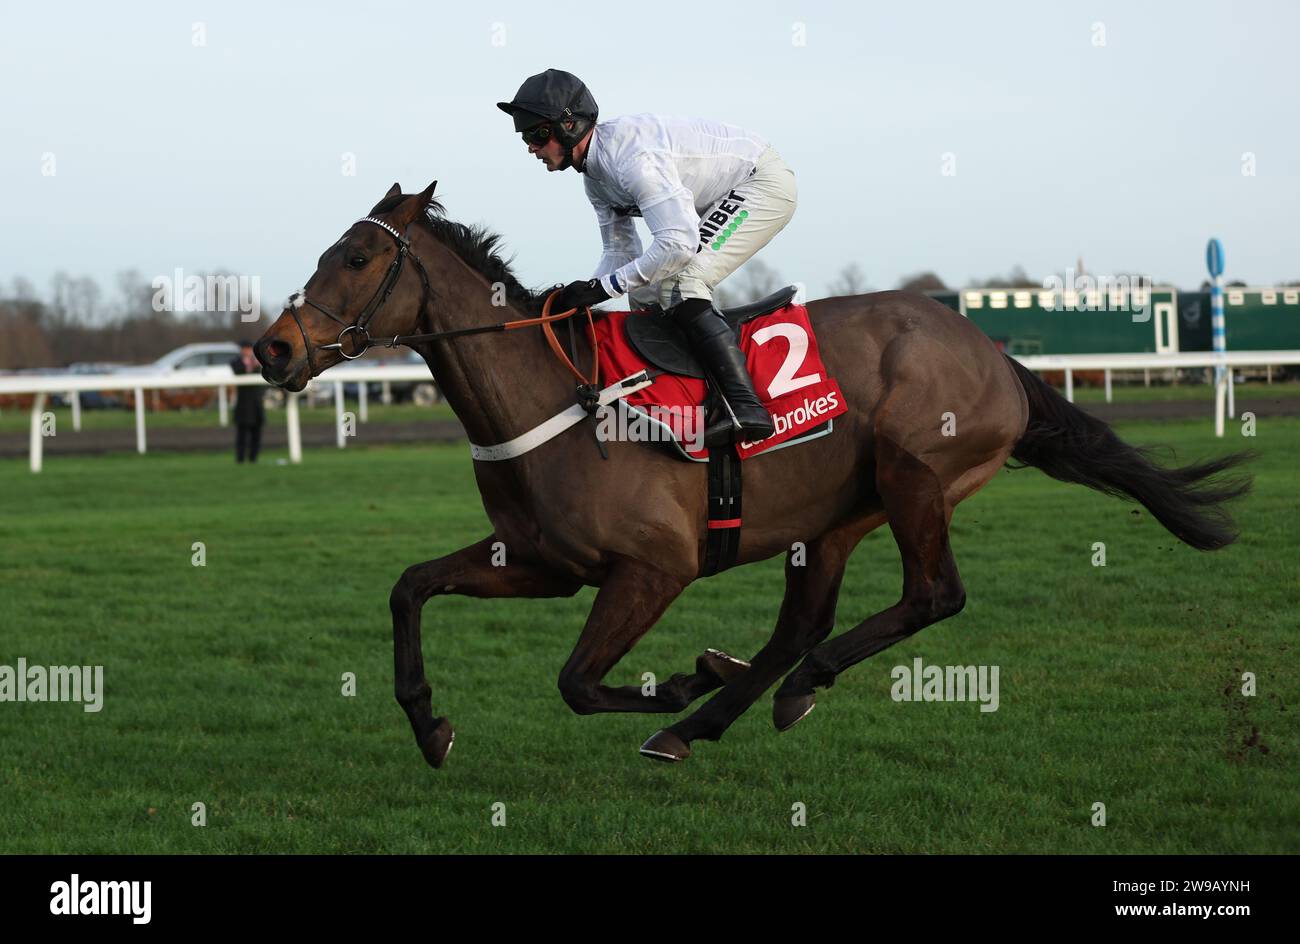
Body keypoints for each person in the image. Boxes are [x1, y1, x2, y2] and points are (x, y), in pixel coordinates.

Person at [497, 69, 798, 444]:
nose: (530, 146)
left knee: (680, 282)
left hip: (760, 183)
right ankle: (678, 399)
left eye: (537, 134)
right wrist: (587, 292)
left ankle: (745, 407)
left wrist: (601, 288)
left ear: (570, 125)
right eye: (525, 136)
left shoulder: (632, 161)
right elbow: (621, 252)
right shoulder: (595, 179)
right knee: (643, 295)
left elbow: (677, 245)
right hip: (721, 194)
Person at [230, 340, 265, 463]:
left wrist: (253, 363)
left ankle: (253, 459)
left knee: (256, 434)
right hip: (243, 403)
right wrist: (247, 364)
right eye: (245, 349)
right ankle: (240, 459)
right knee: (242, 435)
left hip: (256, 403)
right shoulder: (236, 361)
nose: (247, 351)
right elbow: (238, 371)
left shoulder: (259, 361)